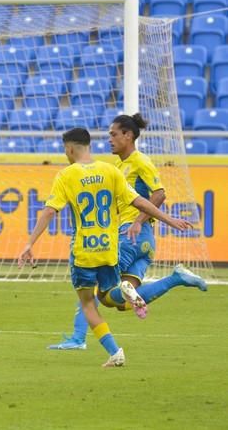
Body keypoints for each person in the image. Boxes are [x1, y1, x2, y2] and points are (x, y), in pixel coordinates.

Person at [18, 128, 193, 367]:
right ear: (89, 145)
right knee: (109, 298)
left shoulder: (66, 175)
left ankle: (114, 352)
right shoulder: (111, 171)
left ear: (69, 148)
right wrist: (170, 220)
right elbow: (140, 201)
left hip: (83, 252)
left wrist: (29, 243)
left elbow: (50, 211)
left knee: (89, 303)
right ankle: (127, 292)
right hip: (109, 248)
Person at [48, 114, 207, 350]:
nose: (109, 139)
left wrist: (137, 222)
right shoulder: (117, 166)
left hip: (130, 235)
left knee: (94, 287)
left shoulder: (139, 161)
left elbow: (159, 193)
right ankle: (176, 278)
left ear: (128, 135)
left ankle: (78, 338)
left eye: (113, 134)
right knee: (122, 301)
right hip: (144, 241)